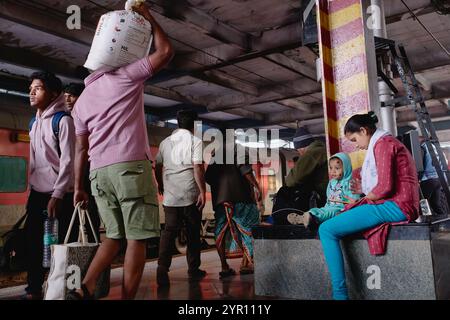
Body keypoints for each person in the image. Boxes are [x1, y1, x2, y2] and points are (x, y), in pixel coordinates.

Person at [68, 3, 173, 300]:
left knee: (113, 237)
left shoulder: (82, 102)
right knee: (136, 238)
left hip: (98, 174)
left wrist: (78, 187)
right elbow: (166, 52)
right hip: (129, 167)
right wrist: (149, 17)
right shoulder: (126, 75)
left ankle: (84, 287)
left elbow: (80, 148)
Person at [318, 112, 419, 300]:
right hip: (399, 204)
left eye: (355, 139)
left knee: (326, 229)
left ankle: (340, 296)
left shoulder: (383, 145)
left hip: (396, 206)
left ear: (364, 131)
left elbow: (385, 187)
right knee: (343, 216)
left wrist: (362, 200)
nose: (356, 145)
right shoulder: (385, 142)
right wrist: (364, 194)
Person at [22, 71, 76, 300]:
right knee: (33, 243)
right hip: (37, 194)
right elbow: (34, 162)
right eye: (30, 88)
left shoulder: (63, 121)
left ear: (54, 94)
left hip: (59, 195)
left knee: (60, 247)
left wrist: (58, 194)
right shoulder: (34, 122)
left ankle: (59, 291)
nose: (32, 92)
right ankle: (34, 289)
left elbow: (68, 162)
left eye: (38, 88)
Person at [154, 110, 207, 287]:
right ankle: (193, 269)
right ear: (193, 125)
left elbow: (158, 164)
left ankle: (162, 267)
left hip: (170, 196)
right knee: (192, 232)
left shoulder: (164, 143)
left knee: (169, 231)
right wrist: (202, 191)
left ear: (178, 123)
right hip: (190, 194)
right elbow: (197, 167)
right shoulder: (195, 141)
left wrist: (160, 184)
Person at [205, 144, 262, 278]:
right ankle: (246, 264)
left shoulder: (216, 153)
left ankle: (224, 267)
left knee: (220, 232)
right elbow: (245, 169)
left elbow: (208, 177)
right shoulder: (238, 148)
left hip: (220, 200)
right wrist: (256, 185)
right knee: (248, 228)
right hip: (240, 198)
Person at [63, 83, 101, 242]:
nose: (68, 100)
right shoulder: (67, 120)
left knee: (91, 218)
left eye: (72, 96)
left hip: (88, 176)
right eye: (65, 97)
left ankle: (95, 262)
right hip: (75, 180)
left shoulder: (90, 119)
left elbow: (83, 150)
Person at [269, 126, 329, 225]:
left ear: (301, 148)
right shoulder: (323, 150)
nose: (300, 154)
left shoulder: (312, 153)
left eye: (298, 151)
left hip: (322, 199)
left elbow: (293, 180)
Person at [287, 152, 360, 228]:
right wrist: (326, 207)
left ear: (346, 168)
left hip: (341, 209)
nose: (333, 171)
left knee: (329, 213)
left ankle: (312, 219)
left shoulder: (350, 183)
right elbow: (329, 197)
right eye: (331, 168)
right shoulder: (332, 182)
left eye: (337, 168)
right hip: (329, 207)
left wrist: (348, 208)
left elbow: (354, 200)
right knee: (316, 210)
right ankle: (305, 217)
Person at [418, 137, 449, 216]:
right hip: (439, 179)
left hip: (428, 179)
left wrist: (419, 179)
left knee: (421, 202)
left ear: (422, 139)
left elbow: (421, 166)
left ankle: (426, 223)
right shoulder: (437, 149)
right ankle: (444, 220)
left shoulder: (423, 147)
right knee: (436, 204)